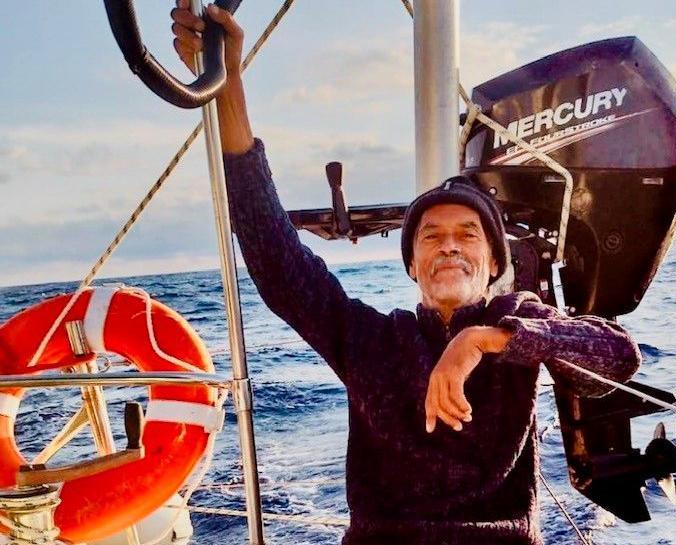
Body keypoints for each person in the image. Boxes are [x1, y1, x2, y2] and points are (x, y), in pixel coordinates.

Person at [171, 3, 641, 544]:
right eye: (431, 236)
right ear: (412, 264)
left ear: (493, 263)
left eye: (468, 234)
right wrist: (227, 85)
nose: (449, 247)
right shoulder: (369, 339)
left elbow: (618, 356)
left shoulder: (518, 322)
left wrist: (483, 341)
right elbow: (273, 254)